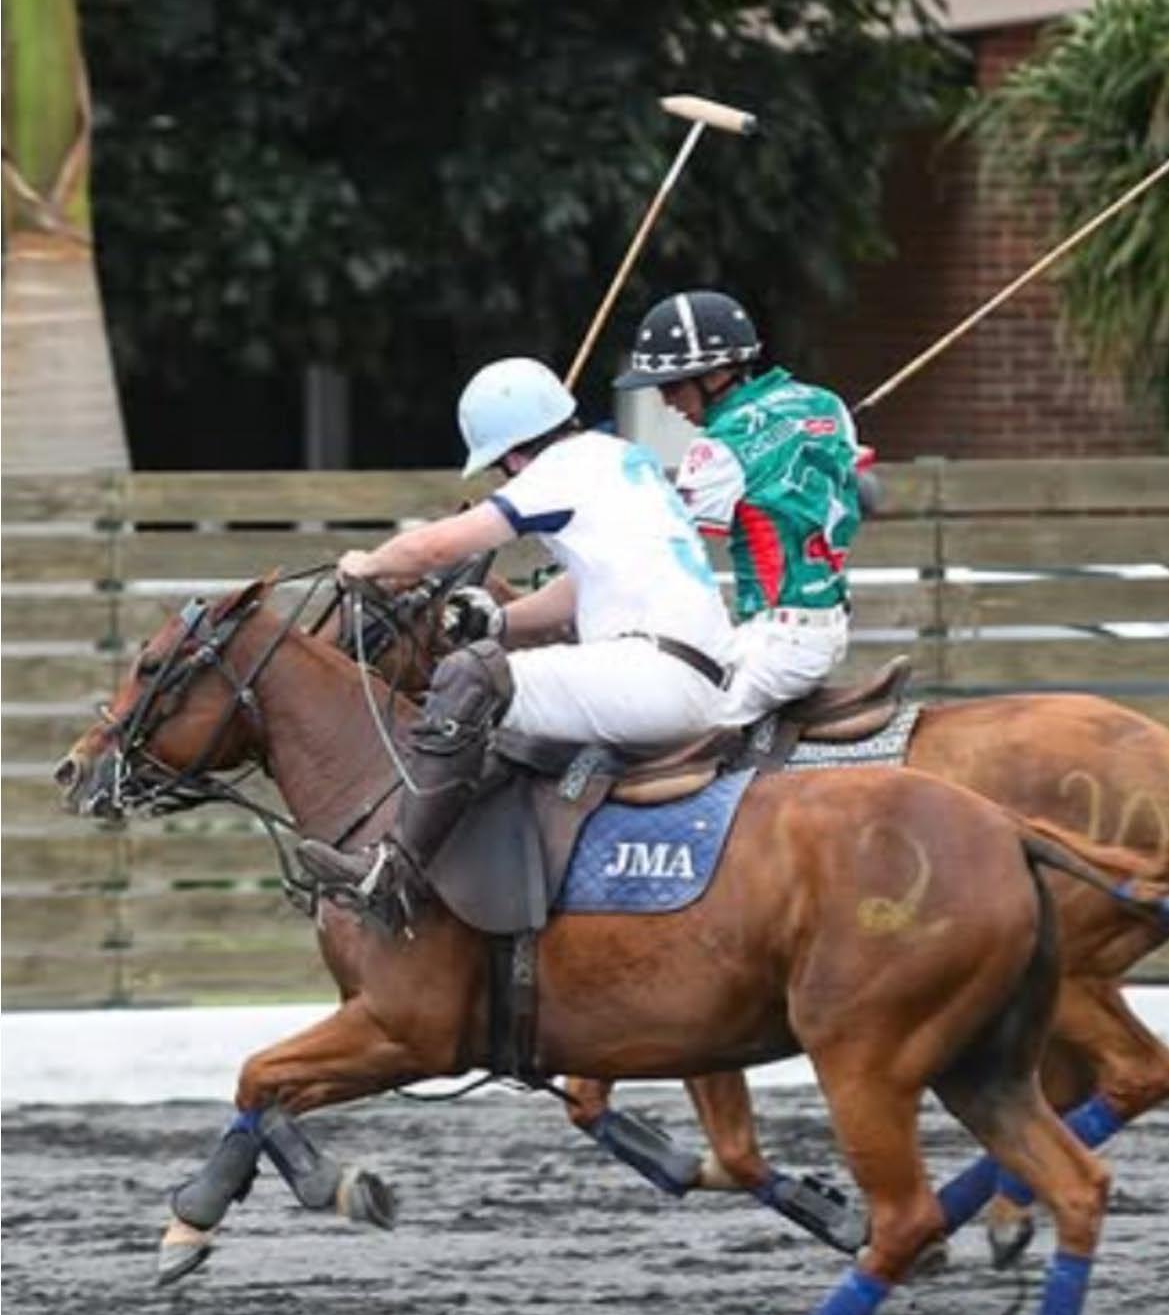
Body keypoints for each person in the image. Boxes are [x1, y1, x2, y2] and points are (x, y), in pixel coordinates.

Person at [297, 355, 735, 920]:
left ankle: (393, 866)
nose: (507, 478)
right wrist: (499, 622)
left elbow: (438, 546)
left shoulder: (563, 470)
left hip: (652, 678)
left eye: (502, 468)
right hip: (691, 675)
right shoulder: (618, 459)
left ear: (513, 454)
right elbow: (580, 589)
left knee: (469, 676)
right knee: (497, 674)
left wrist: (369, 563)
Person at [613, 290, 878, 728]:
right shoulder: (826, 404)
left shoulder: (718, 448)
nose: (666, 402)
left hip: (779, 639)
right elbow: (861, 486)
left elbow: (661, 546)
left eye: (672, 385)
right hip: (816, 627)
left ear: (717, 374)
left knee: (665, 727)